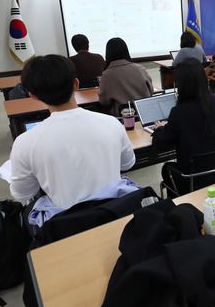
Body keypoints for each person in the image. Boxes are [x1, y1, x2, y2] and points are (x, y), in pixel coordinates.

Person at [10, 55, 136, 211]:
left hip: (67, 225)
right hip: (117, 212)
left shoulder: (24, 143)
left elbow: (22, 193)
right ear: (76, 84)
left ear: (32, 95)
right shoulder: (111, 123)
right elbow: (128, 163)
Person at [151, 58, 215, 195]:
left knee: (167, 168)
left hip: (194, 180)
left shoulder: (179, 112)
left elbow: (163, 143)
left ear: (181, 85)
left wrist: (160, 128)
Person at [98, 37, 154, 116]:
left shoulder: (106, 75)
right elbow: (151, 92)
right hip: (145, 115)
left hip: (122, 119)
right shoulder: (140, 69)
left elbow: (103, 102)